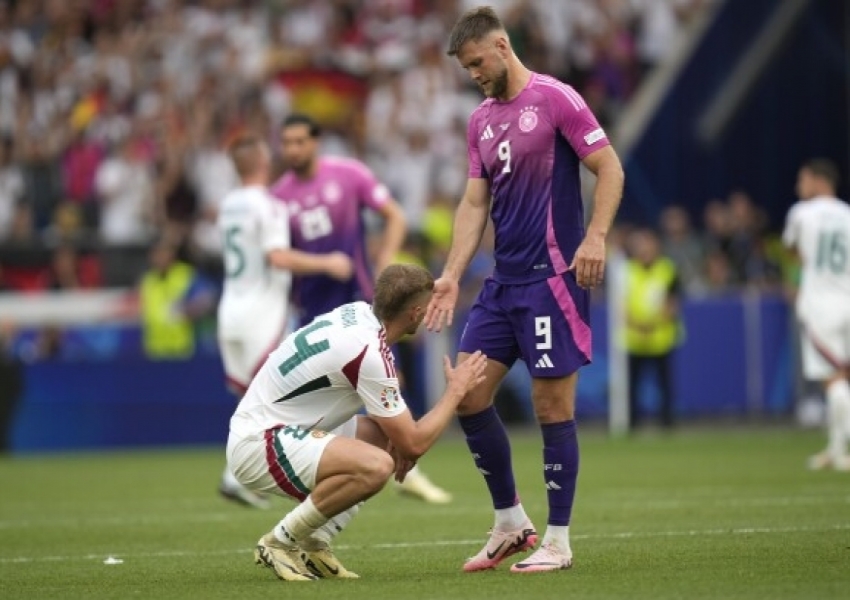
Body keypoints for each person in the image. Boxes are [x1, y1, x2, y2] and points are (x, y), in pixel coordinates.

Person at [425, 6, 624, 573]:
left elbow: (609, 169)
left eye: (477, 63)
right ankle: (510, 523)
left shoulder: (556, 98)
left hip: (552, 280)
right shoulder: (480, 121)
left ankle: (558, 539)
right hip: (502, 283)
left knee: (550, 404)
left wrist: (596, 237)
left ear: (503, 46)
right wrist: (451, 273)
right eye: (466, 68)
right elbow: (473, 203)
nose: (473, 75)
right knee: (467, 393)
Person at [225, 264, 488, 582]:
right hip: (260, 443)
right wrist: (456, 391)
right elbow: (415, 442)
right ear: (416, 312)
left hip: (273, 426)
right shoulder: (369, 352)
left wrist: (402, 441)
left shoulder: (356, 312)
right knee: (377, 464)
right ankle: (279, 541)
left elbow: (401, 434)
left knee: (384, 440)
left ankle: (315, 543)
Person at [270, 114, 452, 504]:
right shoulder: (279, 197)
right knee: (336, 399)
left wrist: (384, 260)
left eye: (300, 141)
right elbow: (277, 256)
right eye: (286, 143)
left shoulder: (349, 175)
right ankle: (355, 470)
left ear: (316, 142)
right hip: (312, 314)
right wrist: (322, 265)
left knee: (388, 383)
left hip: (359, 303)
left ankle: (402, 465)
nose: (293, 150)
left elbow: (395, 215)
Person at [216, 133, 354, 508]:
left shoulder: (228, 204)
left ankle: (238, 476)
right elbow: (277, 257)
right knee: (281, 395)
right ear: (262, 162)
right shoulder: (270, 205)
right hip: (262, 312)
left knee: (248, 399)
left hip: (230, 311)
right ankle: (246, 475)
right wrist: (329, 262)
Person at [782, 158, 850, 471]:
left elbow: (792, 251)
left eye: (802, 179)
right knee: (843, 377)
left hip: (820, 303)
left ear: (818, 181)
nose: (799, 186)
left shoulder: (801, 213)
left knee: (833, 380)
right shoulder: (847, 214)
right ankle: (836, 450)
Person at [623, 227, 683, 429]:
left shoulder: (668, 269)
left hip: (661, 338)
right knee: (632, 385)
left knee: (665, 384)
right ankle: (632, 424)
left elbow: (672, 303)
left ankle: (667, 423)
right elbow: (620, 304)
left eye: (648, 244)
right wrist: (636, 324)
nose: (644, 249)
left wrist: (652, 324)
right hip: (635, 338)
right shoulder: (626, 271)